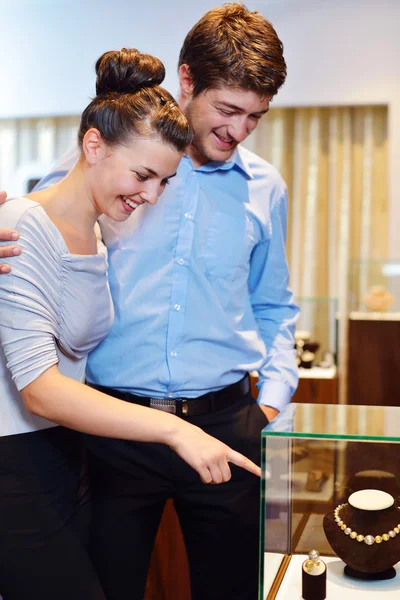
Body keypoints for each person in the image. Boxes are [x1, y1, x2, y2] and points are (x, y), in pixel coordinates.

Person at [1, 4, 300, 600]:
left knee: (236, 589)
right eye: (227, 110)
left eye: (255, 118)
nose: (238, 130)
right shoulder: (102, 162)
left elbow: (274, 306)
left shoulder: (266, 189)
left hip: (227, 423)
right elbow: (35, 242)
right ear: (187, 80)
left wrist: (270, 402)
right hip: (112, 427)